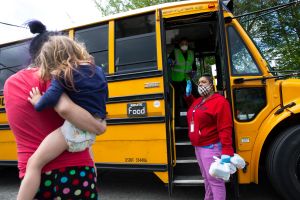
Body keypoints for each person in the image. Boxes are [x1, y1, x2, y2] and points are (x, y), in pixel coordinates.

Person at [4, 20, 105, 200]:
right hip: (82, 173)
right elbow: (76, 116)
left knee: (34, 163)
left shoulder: (12, 83)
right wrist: (100, 126)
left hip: (43, 178)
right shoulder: (80, 75)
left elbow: (63, 109)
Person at [184, 74, 234, 200]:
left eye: (204, 82)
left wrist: (227, 151)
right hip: (199, 148)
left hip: (211, 148)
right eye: (199, 82)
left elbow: (225, 128)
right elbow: (195, 110)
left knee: (215, 181)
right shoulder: (199, 100)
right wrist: (189, 96)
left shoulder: (220, 102)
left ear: (211, 85)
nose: (200, 84)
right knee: (206, 178)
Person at [168, 38, 196, 123]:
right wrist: (170, 62)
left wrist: (193, 74)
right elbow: (169, 61)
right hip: (176, 80)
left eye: (186, 43)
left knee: (189, 97)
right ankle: (177, 119)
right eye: (183, 44)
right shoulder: (175, 52)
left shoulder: (191, 53)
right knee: (177, 99)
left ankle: (191, 117)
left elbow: (194, 67)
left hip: (187, 80)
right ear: (179, 45)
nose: (184, 45)